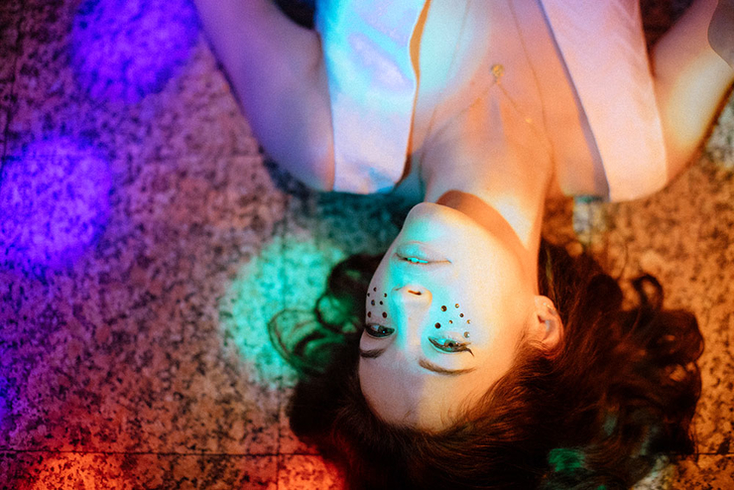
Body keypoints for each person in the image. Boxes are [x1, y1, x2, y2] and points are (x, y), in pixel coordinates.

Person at [193, 0, 734, 487]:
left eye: (379, 330)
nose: (404, 300)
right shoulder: (642, 145)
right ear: (541, 326)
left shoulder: (322, 138)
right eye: (447, 343)